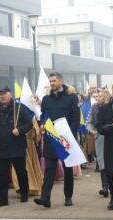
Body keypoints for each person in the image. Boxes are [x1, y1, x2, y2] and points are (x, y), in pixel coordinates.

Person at [34, 72, 80, 208]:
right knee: (49, 169)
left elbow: (75, 118)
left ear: (61, 81)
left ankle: (68, 197)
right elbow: (43, 116)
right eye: (50, 81)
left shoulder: (71, 97)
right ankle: (45, 198)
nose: (52, 83)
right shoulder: (46, 99)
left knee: (68, 169)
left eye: (54, 81)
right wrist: (42, 123)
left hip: (66, 139)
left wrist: (68, 136)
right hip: (51, 139)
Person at [0, 86, 33, 207]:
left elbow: (29, 124)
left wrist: (20, 130)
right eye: (1, 94)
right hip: (1, 147)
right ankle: (3, 198)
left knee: (21, 171)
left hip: (17, 146)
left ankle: (24, 192)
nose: (2, 96)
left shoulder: (18, 109)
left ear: (10, 94)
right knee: (1, 174)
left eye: (5, 93)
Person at [11, 115, 43, 196]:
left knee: (25, 166)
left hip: (27, 144)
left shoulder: (29, 115)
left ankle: (28, 186)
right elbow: (37, 132)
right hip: (23, 144)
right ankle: (26, 186)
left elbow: (36, 131)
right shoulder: (27, 115)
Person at [87, 89, 110, 197]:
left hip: (111, 137)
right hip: (99, 136)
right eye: (97, 96)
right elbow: (89, 122)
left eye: (100, 96)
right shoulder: (94, 107)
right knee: (101, 161)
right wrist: (92, 130)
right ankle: (104, 187)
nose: (97, 98)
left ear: (105, 97)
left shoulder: (111, 106)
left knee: (111, 161)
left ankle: (111, 185)